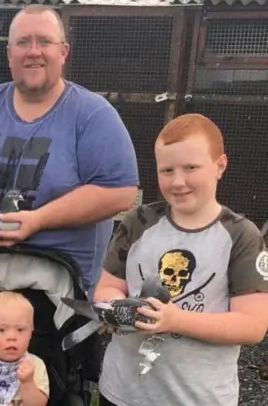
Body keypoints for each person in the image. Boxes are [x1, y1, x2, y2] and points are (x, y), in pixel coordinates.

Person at [0, 4, 139, 295]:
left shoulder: (93, 114)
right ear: (9, 53)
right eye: (23, 42)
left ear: (63, 52)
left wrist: (37, 221)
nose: (33, 51)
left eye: (44, 42)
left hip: (55, 291)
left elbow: (120, 192)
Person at [95, 113, 268, 406]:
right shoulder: (138, 221)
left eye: (191, 168)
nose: (178, 181)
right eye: (167, 170)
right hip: (122, 392)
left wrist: (175, 320)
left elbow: (253, 326)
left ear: (220, 166)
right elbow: (107, 286)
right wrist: (116, 309)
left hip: (197, 398)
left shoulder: (242, 236)